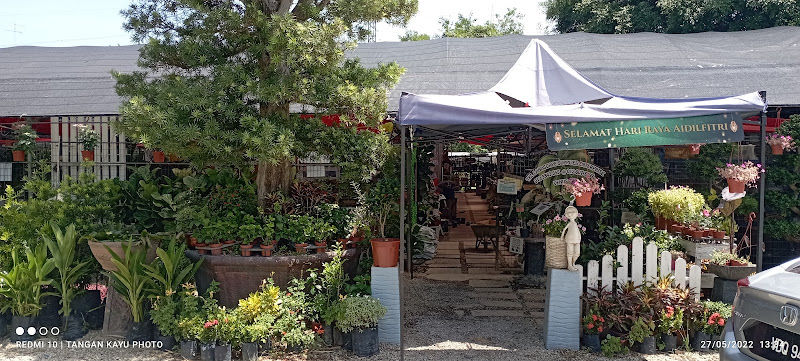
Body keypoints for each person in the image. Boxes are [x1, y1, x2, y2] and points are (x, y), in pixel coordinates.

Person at [561, 206, 582, 271]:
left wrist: (579, 237)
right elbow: (564, 229)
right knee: (570, 252)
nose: (571, 214)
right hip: (570, 239)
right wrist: (562, 236)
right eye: (569, 212)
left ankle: (573, 263)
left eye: (573, 212)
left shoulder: (575, 223)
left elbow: (577, 231)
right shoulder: (570, 223)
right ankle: (569, 265)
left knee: (577, 253)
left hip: (577, 239)